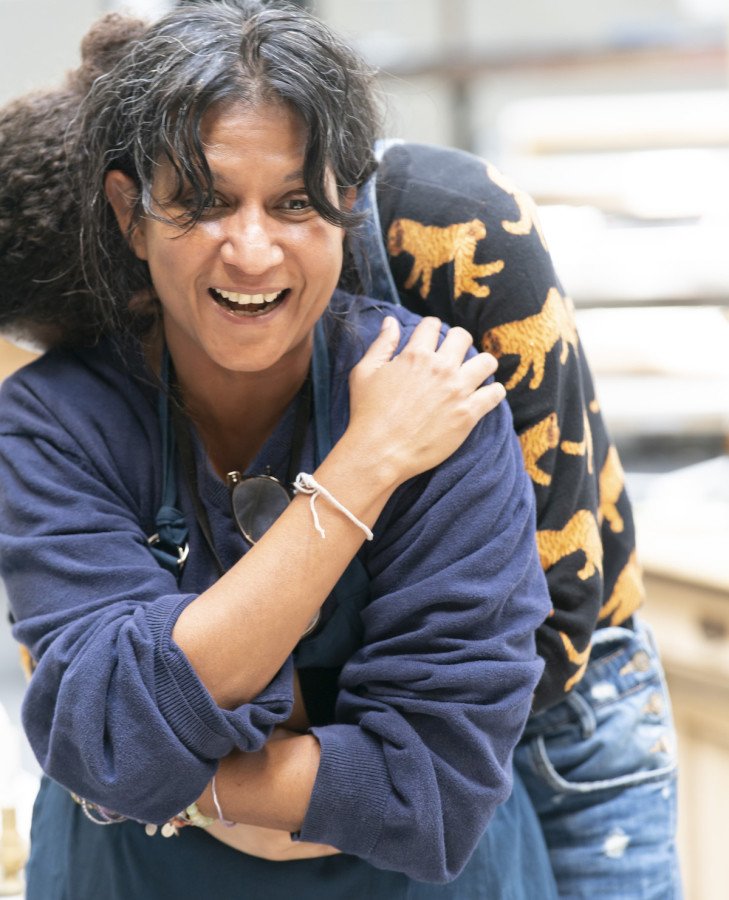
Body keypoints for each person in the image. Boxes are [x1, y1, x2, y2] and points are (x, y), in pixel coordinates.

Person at [0, 6, 681, 897]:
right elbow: (98, 731)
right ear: (131, 219)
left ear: (346, 201)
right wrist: (366, 463)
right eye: (200, 205)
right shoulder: (51, 416)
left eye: (291, 202)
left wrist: (174, 766)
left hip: (548, 711)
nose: (248, 252)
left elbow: (439, 777)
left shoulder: (443, 364)